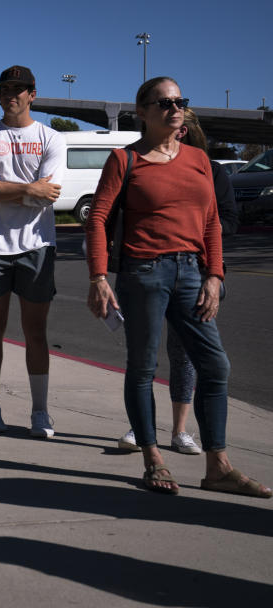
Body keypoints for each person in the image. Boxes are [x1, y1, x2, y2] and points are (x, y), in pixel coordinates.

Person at [87, 76, 270, 498]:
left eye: (180, 101)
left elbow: (210, 223)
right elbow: (96, 219)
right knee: (143, 368)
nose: (175, 107)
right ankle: (153, 458)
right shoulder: (125, 160)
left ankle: (218, 466)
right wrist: (98, 277)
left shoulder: (199, 160)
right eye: (164, 102)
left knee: (215, 365)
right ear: (143, 111)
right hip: (143, 273)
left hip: (192, 272)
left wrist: (214, 274)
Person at [117, 107, 240, 456]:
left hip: (199, 272)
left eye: (182, 127)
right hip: (150, 269)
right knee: (144, 356)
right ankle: (143, 428)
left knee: (190, 354)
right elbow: (105, 216)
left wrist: (210, 266)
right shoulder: (135, 161)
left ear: (189, 133)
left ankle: (181, 430)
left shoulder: (208, 169)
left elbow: (224, 221)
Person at [0, 65, 65, 438]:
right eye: (6, 89)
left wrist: (1, 187)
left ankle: (40, 412)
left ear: (32, 94)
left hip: (37, 244)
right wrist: (28, 189)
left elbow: (49, 192)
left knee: (35, 331)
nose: (12, 95)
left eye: (19, 89)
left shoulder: (52, 138)